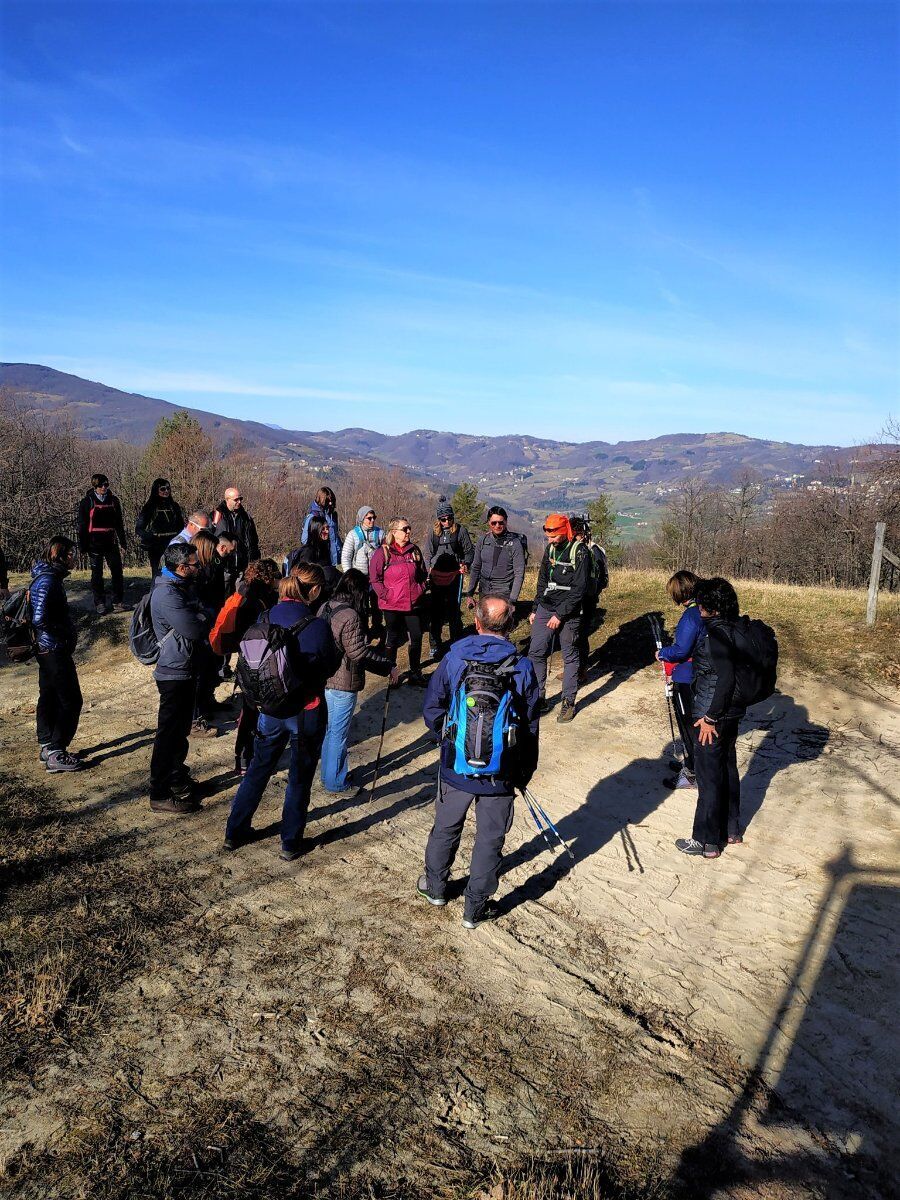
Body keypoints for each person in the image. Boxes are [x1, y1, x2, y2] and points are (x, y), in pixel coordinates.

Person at [418, 595, 541, 929]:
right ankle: (475, 907)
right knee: (489, 839)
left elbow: (433, 707)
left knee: (445, 828)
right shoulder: (523, 666)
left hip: (455, 765)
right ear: (512, 626)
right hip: (501, 772)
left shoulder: (454, 657)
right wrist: (524, 772)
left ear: (477, 622)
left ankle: (436, 888)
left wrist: (449, 738)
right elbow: (530, 727)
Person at [224, 563, 340, 860]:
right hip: (306, 710)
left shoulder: (265, 617)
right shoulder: (317, 626)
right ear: (313, 591)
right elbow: (330, 666)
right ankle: (290, 842)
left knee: (259, 768)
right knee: (299, 778)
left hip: (269, 709)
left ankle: (234, 832)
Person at [676, 576, 746, 860]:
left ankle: (706, 841)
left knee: (708, 775)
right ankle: (731, 829)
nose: (698, 609)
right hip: (734, 712)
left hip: (712, 714)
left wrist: (710, 718)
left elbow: (725, 679)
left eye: (702, 605)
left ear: (711, 608)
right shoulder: (737, 628)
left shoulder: (714, 636)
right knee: (728, 767)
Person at [320, 569, 399, 793]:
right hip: (343, 682)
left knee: (330, 731)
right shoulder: (351, 616)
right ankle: (336, 782)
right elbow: (359, 654)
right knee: (338, 734)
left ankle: (328, 776)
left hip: (325, 679)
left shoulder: (325, 607)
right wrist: (387, 666)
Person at [148, 541, 212, 814]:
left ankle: (176, 780)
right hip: (173, 671)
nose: (200, 567)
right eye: (196, 564)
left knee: (180, 732)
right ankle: (159, 793)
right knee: (168, 734)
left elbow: (204, 613)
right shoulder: (167, 594)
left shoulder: (181, 588)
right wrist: (201, 616)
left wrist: (201, 614)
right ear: (182, 568)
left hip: (185, 668)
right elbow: (194, 629)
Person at [528, 513, 590, 723]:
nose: (550, 540)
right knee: (536, 651)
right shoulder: (550, 549)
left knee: (569, 655)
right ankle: (538, 697)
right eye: (548, 536)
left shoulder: (580, 552)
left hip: (570, 611)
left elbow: (580, 589)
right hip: (546, 605)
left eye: (554, 536)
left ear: (565, 531)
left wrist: (560, 615)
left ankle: (568, 702)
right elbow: (542, 580)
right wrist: (535, 607)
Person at [31, 536, 83, 772]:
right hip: (52, 648)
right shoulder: (48, 581)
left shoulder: (49, 577)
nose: (74, 558)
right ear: (58, 554)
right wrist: (62, 633)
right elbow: (39, 618)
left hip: (48, 647)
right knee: (71, 700)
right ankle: (56, 750)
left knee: (49, 696)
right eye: (71, 554)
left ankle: (47, 745)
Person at [227, 559, 281, 775]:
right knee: (251, 711)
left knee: (252, 710)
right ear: (267, 577)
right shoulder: (254, 601)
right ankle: (245, 757)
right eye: (276, 575)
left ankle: (249, 755)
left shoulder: (249, 594)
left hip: (249, 658)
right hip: (254, 661)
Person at [656, 571, 703, 790]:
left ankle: (692, 773)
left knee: (687, 725)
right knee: (692, 724)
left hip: (687, 677)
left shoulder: (690, 617)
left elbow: (681, 650)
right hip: (700, 675)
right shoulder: (704, 609)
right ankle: (692, 763)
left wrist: (663, 653)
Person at [369, 516, 429, 687]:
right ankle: (392, 673)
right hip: (392, 605)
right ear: (394, 532)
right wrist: (386, 595)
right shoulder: (383, 553)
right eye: (405, 529)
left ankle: (415, 672)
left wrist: (421, 589)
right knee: (392, 638)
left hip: (413, 603)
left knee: (416, 636)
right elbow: (375, 579)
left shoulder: (414, 551)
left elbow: (423, 574)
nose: (408, 531)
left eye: (409, 528)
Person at [423, 497, 474, 659]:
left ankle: (456, 642)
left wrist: (466, 563)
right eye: (443, 519)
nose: (446, 522)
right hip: (436, 576)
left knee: (453, 611)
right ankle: (435, 644)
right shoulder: (433, 532)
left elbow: (469, 551)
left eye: (449, 518)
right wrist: (427, 570)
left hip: (454, 576)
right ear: (438, 519)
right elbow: (428, 553)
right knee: (436, 613)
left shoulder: (460, 531)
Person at [190, 528, 228, 731]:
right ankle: (196, 713)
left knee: (211, 666)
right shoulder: (195, 574)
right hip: (202, 623)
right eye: (212, 550)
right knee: (199, 670)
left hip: (214, 619)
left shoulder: (213, 566)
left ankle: (208, 701)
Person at [77, 473, 128, 615]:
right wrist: (83, 545)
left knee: (117, 572)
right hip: (94, 543)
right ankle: (99, 602)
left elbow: (119, 523)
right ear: (95, 486)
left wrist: (123, 541)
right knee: (97, 574)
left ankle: (117, 601)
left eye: (106, 484)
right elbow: (82, 525)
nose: (104, 488)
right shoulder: (87, 502)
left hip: (111, 541)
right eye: (101, 485)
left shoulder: (114, 501)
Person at [464, 507, 526, 611]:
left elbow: (519, 573)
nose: (497, 526)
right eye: (494, 523)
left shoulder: (515, 544)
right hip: (484, 589)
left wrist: (512, 600)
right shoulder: (482, 541)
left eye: (501, 523)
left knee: (498, 622)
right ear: (489, 522)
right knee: (484, 622)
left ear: (506, 522)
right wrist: (470, 594)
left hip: (504, 592)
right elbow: (476, 568)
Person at [341, 505, 384, 645]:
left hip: (376, 577)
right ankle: (364, 632)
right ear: (362, 518)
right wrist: (350, 576)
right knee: (361, 606)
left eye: (373, 518)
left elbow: (386, 553)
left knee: (378, 606)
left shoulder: (380, 533)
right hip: (360, 578)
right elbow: (346, 557)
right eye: (369, 518)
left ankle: (377, 628)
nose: (372, 521)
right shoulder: (353, 534)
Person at [135, 479, 185, 576]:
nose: (166, 491)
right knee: (158, 573)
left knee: (175, 570)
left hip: (173, 543)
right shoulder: (150, 507)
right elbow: (139, 528)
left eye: (168, 488)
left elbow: (181, 525)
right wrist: (150, 537)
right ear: (156, 490)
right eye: (163, 489)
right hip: (156, 545)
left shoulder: (174, 506)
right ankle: (156, 590)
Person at [289, 514, 340, 597]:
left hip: (325, 592)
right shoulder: (308, 551)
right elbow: (305, 576)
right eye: (323, 529)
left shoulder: (325, 549)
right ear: (315, 530)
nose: (326, 531)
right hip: (312, 595)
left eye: (327, 528)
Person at [212, 488, 259, 574]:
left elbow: (253, 541)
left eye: (240, 499)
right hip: (224, 567)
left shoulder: (246, 518)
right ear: (227, 500)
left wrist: (253, 562)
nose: (239, 502)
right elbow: (210, 539)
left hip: (243, 567)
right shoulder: (217, 516)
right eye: (236, 499)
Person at [301, 487, 340, 567]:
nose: (330, 503)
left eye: (331, 500)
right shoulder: (312, 516)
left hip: (331, 558)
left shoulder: (332, 515)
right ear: (321, 499)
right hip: (318, 559)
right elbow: (304, 539)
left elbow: (335, 535)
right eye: (328, 501)